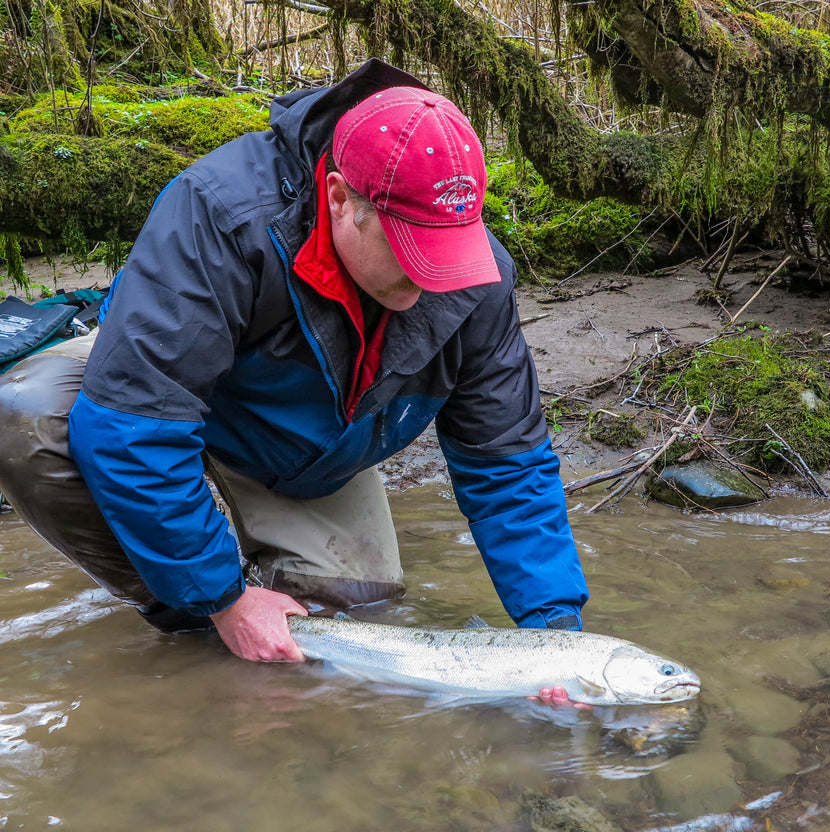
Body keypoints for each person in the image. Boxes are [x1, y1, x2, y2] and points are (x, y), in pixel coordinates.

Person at [0, 59, 589, 672]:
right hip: (179, 395)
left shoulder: (479, 280)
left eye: (447, 250)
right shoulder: (220, 214)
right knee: (26, 413)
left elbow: (508, 466)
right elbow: (134, 427)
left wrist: (556, 637)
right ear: (339, 198)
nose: (430, 276)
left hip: (313, 451)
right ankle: (191, 617)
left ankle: (230, 586)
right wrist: (222, 599)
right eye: (409, 248)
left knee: (338, 639)